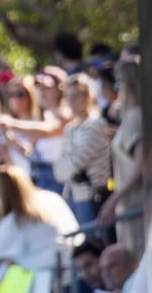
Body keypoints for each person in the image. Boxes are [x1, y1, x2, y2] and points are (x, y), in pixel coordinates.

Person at [97, 58, 144, 254]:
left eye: (119, 83)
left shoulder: (135, 116)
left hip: (135, 205)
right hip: (129, 205)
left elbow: (141, 165)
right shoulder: (132, 117)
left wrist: (113, 199)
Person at [53, 73, 113, 228]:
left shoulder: (95, 125)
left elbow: (77, 162)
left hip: (92, 198)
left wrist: (67, 163)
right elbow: (58, 171)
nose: (71, 102)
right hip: (72, 197)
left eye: (76, 96)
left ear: (88, 97)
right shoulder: (69, 129)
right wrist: (66, 165)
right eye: (68, 97)